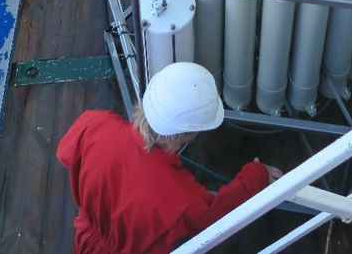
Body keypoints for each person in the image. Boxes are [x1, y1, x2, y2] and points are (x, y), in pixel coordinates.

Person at [57, 62, 281, 254]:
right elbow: (217, 214)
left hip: (87, 240)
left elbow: (65, 154)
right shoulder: (182, 199)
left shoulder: (94, 124)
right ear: (187, 136)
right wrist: (256, 175)